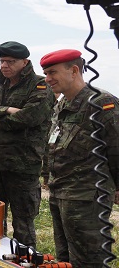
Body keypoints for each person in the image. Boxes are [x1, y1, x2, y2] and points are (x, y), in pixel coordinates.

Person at [0, 41, 54, 248]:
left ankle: (25, 259)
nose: (4, 65)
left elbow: (27, 118)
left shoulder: (40, 86)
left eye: (10, 61)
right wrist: (5, 110)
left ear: (25, 62)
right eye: (2, 61)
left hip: (22, 165)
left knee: (23, 222)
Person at [40, 49, 119, 267]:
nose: (47, 79)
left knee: (89, 260)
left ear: (74, 70)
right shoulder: (62, 104)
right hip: (60, 193)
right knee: (64, 259)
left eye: (52, 72)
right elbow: (53, 143)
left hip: (87, 197)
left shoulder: (102, 103)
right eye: (46, 73)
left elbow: (116, 148)